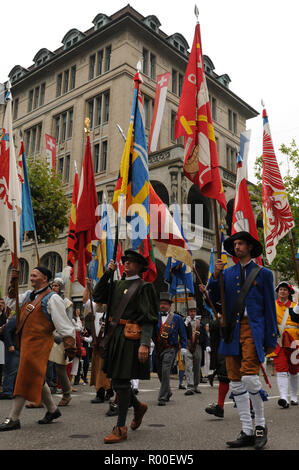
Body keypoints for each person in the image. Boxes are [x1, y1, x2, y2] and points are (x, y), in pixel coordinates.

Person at [205, 231, 277, 450]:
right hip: (232, 330)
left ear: (250, 247)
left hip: (252, 330)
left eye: (241, 243)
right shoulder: (227, 273)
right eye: (235, 244)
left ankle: (260, 428)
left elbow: (270, 309)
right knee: (235, 381)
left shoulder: (263, 274)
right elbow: (213, 296)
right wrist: (215, 276)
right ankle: (246, 430)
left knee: (250, 379)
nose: (237, 247)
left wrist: (270, 337)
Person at [92, 249, 159, 444]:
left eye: (131, 261)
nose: (126, 263)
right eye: (125, 261)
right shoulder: (116, 283)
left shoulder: (144, 287)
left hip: (130, 337)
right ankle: (138, 407)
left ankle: (120, 427)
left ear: (139, 266)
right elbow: (98, 295)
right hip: (114, 335)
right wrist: (107, 273)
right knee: (116, 381)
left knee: (121, 382)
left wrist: (144, 343)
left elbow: (148, 319)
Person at [0, 266, 76, 432]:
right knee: (37, 378)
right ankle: (53, 410)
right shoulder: (28, 295)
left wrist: (70, 344)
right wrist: (13, 282)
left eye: (34, 275)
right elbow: (11, 302)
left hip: (40, 344)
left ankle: (13, 418)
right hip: (27, 342)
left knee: (24, 376)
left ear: (44, 278)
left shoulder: (53, 298)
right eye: (31, 275)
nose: (31, 278)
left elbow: (64, 324)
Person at [153, 292, 188, 406]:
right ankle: (167, 391)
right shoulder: (154, 316)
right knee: (159, 372)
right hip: (157, 348)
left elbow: (183, 333)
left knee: (165, 371)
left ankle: (162, 397)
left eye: (165, 304)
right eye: (161, 303)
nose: (163, 305)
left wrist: (184, 347)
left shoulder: (177, 318)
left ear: (169, 306)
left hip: (170, 348)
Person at [82, 282, 113, 403]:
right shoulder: (96, 306)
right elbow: (85, 300)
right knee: (97, 368)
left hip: (108, 343)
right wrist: (88, 287)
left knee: (103, 369)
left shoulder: (112, 308)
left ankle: (102, 392)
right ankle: (107, 390)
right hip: (97, 343)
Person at [272, 282, 299, 408]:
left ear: (289, 292)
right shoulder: (272, 306)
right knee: (281, 368)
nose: (282, 292)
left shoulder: (295, 306)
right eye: (280, 289)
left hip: (295, 342)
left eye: (285, 290)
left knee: (294, 371)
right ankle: (283, 397)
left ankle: (294, 396)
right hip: (279, 341)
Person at [48, 277, 74, 407]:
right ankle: (40, 396)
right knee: (42, 366)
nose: (54, 288)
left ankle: (67, 394)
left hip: (60, 338)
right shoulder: (49, 299)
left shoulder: (67, 303)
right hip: (48, 336)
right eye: (52, 285)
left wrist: (62, 336)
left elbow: (67, 322)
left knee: (60, 368)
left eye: (57, 286)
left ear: (62, 288)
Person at [184, 300, 208, 395]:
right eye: (190, 311)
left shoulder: (200, 323)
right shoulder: (184, 322)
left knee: (197, 366)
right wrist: (185, 325)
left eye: (194, 311)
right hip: (188, 345)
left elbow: (205, 336)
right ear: (188, 312)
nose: (192, 313)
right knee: (188, 366)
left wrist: (207, 346)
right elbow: (182, 333)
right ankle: (189, 387)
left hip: (198, 345)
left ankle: (196, 386)